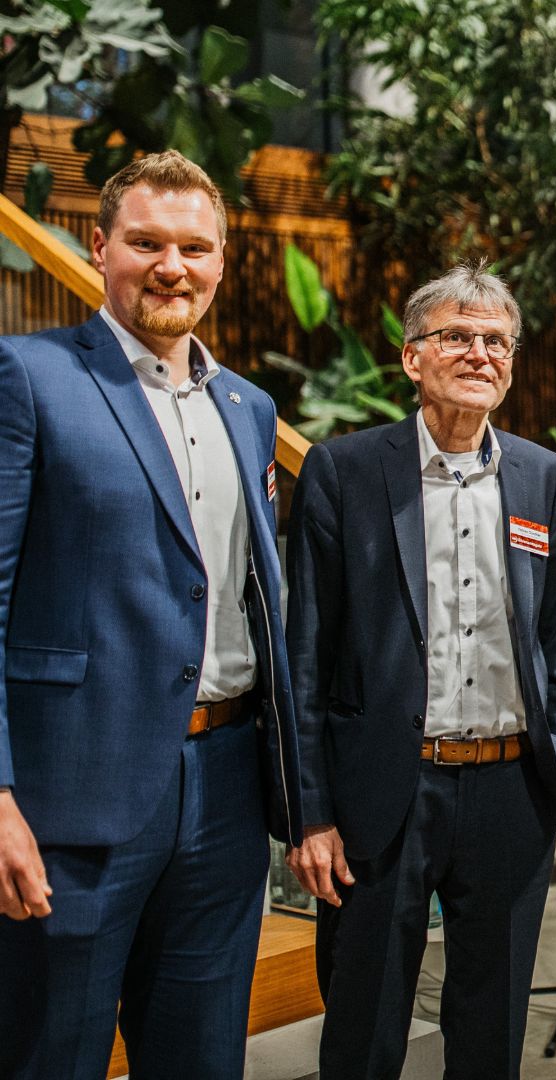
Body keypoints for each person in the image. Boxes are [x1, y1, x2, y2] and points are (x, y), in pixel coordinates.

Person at [0, 150, 302, 1079]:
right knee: (52, 1055)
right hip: (72, 796)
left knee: (202, 1058)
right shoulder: (30, 377)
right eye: (146, 243)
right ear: (99, 248)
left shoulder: (249, 407)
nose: (172, 266)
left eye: (194, 248)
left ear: (221, 262)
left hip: (225, 789)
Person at [283, 262, 556, 1079]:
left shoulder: (541, 475)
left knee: (491, 1033)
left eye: (497, 341)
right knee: (366, 1025)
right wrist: (311, 812)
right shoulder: (345, 472)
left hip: (511, 792)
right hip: (385, 791)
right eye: (457, 336)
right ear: (412, 356)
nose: (480, 354)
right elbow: (306, 655)